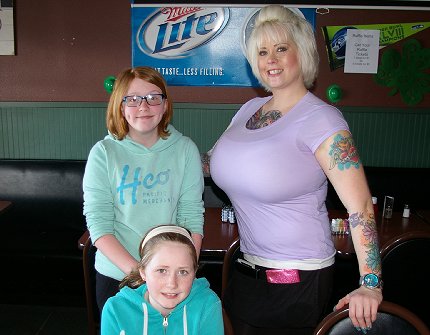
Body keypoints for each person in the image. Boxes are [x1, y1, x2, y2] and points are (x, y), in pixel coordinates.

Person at [203, 5, 382, 335]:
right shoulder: (248, 109)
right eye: (262, 51)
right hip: (247, 268)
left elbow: (359, 207)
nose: (271, 59)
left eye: (281, 48)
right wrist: (161, 150)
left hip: (298, 276)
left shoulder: (322, 120)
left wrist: (370, 282)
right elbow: (210, 162)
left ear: (301, 53)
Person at [83, 66, 204, 314]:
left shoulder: (185, 149)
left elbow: (191, 217)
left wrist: (183, 272)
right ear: (120, 106)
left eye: (153, 97)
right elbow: (99, 225)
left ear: (165, 105)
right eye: (132, 99)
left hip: (172, 281)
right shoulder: (103, 153)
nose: (143, 106)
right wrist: (141, 275)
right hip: (117, 276)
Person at [101, 225, 224, 335]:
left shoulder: (207, 305)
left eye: (183, 272)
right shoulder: (116, 310)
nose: (172, 284)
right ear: (143, 272)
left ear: (194, 273)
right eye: (162, 271)